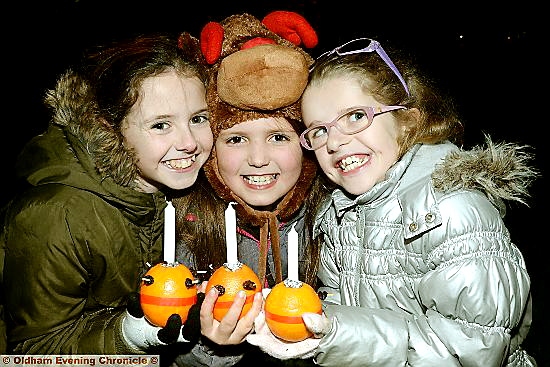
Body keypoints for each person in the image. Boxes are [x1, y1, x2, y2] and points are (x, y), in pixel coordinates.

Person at [246, 37, 538, 366]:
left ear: (406, 120)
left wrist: (335, 334)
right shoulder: (339, 215)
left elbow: (469, 351)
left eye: (355, 116)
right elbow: (348, 321)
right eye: (319, 131)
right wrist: (308, 327)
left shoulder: (452, 212)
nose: (336, 141)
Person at [0, 32, 213, 354]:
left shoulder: (177, 188)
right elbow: (32, 352)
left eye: (198, 119)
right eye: (160, 125)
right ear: (109, 127)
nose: (189, 142)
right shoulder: (57, 216)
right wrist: (128, 336)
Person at [170, 11, 330, 367]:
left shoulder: (334, 219)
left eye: (278, 136)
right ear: (211, 149)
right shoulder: (187, 225)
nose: (258, 159)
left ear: (306, 144)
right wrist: (208, 346)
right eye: (236, 138)